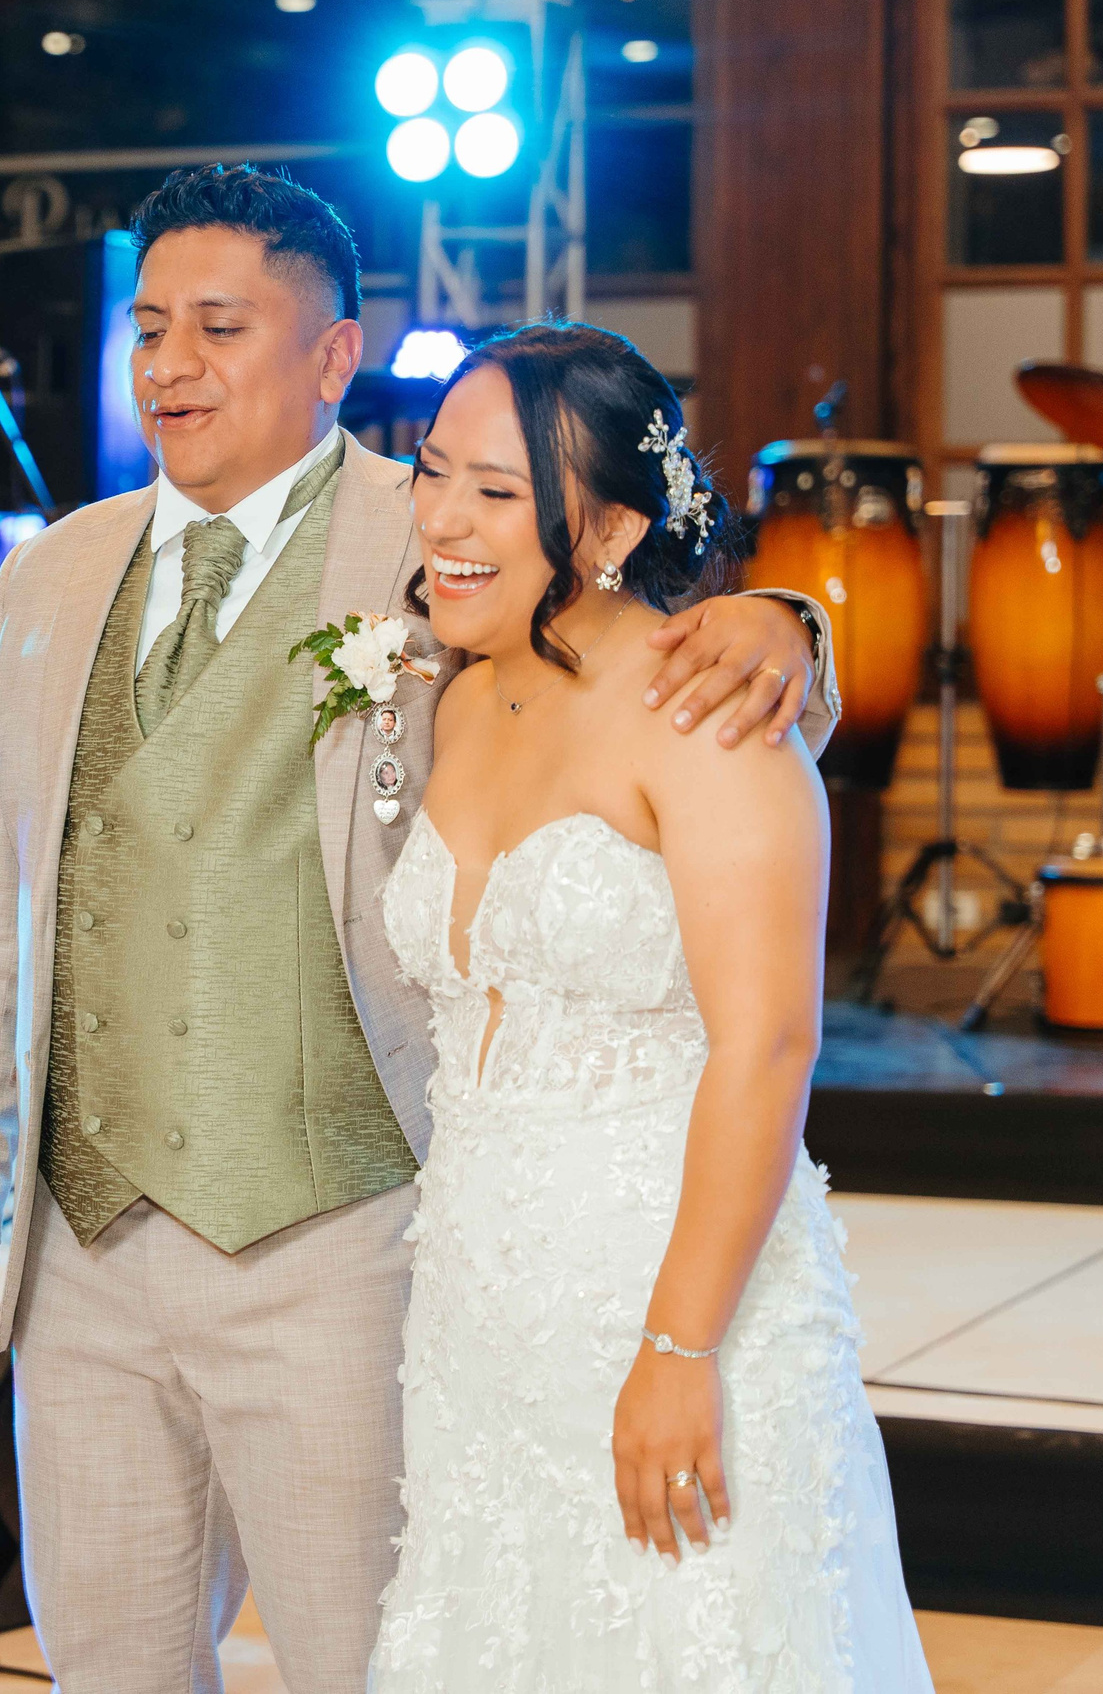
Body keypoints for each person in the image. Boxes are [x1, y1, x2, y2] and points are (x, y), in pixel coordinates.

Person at [0, 163, 841, 1693]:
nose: (170, 365)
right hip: (77, 1252)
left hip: (339, 1236)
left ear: (334, 357)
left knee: (373, 1661)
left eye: (220, 326)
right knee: (109, 1663)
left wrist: (790, 622)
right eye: (150, 327)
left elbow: (631, 635)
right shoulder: (49, 573)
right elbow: (2, 912)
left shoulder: (436, 535)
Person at [370, 321, 931, 1688]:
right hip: (479, 1314)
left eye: (496, 492)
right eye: (434, 470)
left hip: (678, 1296)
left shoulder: (712, 711)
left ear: (611, 525)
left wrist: (679, 1348)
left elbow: (770, 1044)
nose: (443, 516)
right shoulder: (438, 686)